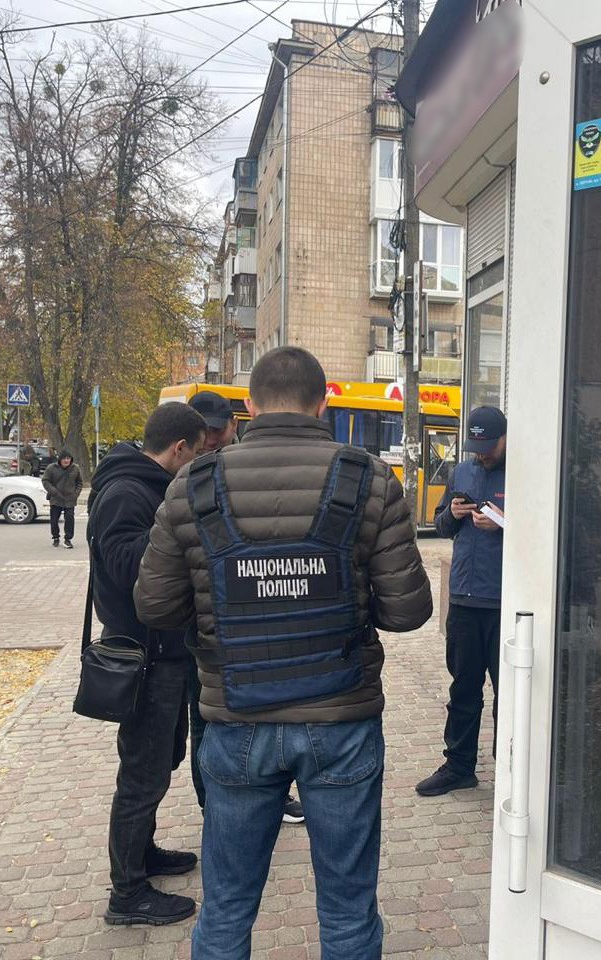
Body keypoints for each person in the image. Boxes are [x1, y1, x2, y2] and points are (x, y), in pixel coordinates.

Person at [134, 347, 432, 960]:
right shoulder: (371, 479)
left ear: (249, 406)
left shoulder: (193, 484)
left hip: (236, 719)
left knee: (225, 909)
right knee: (348, 911)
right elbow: (407, 613)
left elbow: (155, 607)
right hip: (341, 720)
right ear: (323, 405)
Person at [87, 404, 207, 926]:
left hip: (165, 653)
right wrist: (181, 527)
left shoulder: (149, 487)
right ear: (178, 449)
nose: (197, 462)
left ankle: (144, 854)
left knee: (160, 763)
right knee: (141, 774)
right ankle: (128, 894)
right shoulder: (126, 491)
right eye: (197, 452)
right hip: (144, 658)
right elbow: (125, 567)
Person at [183, 390, 306, 825]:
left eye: (217, 431)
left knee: (276, 717)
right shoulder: (185, 478)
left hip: (271, 621)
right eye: (204, 432)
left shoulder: (247, 466)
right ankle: (212, 803)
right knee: (210, 719)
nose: (211, 439)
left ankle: (275, 794)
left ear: (237, 422)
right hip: (213, 635)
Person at [416, 406, 507, 797]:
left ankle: (511, 772)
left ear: (505, 438)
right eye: (476, 447)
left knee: (509, 695)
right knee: (463, 690)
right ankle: (458, 767)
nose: (481, 454)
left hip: (504, 603)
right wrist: (452, 514)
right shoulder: (462, 472)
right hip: (465, 602)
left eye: (489, 447)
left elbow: (541, 533)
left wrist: (505, 523)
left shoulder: (525, 474)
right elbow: (440, 526)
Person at [42, 450, 83, 548]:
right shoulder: (51, 468)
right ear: (60, 460)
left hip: (70, 498)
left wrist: (76, 494)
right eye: (64, 458)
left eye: (68, 458)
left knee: (69, 518)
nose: (66, 460)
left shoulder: (75, 468)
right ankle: (55, 537)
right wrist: (54, 492)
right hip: (56, 498)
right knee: (54, 519)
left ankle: (68, 539)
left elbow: (79, 482)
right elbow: (45, 481)